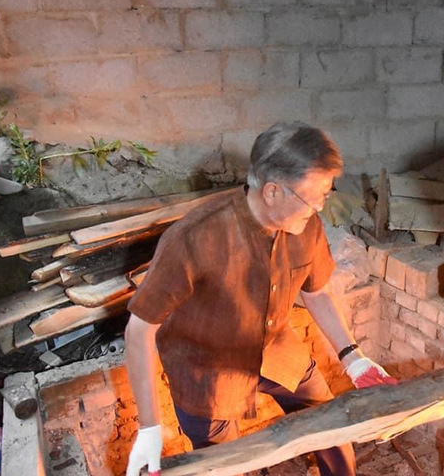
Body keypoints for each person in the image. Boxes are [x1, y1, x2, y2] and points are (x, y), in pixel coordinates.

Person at [124, 122, 396, 476]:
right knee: (223, 466)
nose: (319, 209)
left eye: (325, 197)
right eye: (313, 198)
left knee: (331, 429)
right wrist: (149, 427)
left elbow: (317, 292)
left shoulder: (305, 224)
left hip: (275, 350)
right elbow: (139, 330)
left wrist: (352, 357)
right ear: (271, 191)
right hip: (207, 372)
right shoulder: (193, 238)